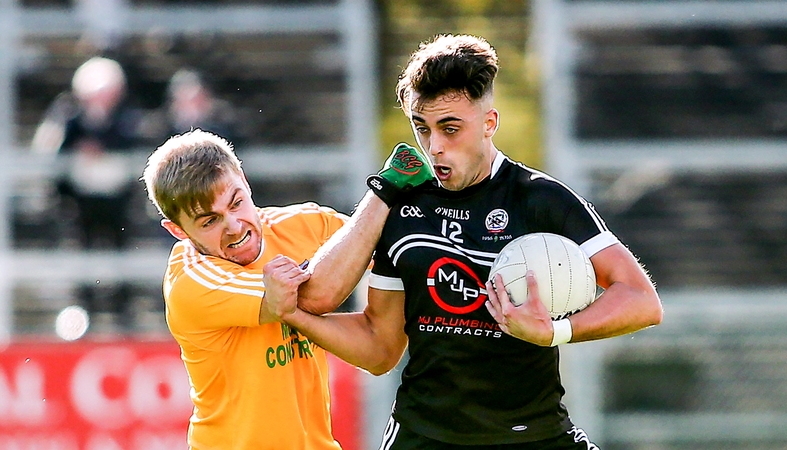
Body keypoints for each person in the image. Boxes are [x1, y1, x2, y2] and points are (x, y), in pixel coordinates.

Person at [275, 34, 664, 449]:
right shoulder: (401, 207)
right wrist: (380, 194)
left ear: (489, 123)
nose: (435, 147)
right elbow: (378, 346)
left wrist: (555, 331)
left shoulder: (541, 200)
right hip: (424, 437)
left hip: (534, 436)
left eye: (450, 128)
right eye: (421, 128)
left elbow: (642, 300)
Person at [141, 129, 433, 449]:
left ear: (245, 180)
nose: (234, 227)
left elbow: (381, 348)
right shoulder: (190, 281)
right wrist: (384, 192)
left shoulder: (306, 224)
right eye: (210, 221)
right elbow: (300, 297)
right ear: (177, 230)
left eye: (236, 203)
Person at [31, 55, 145, 330]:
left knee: (120, 254)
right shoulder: (68, 116)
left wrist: (104, 152)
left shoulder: (127, 118)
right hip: (81, 201)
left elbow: (134, 150)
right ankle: (84, 312)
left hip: (117, 201)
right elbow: (54, 153)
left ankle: (122, 313)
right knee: (82, 255)